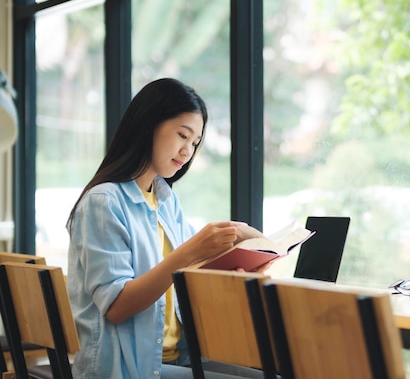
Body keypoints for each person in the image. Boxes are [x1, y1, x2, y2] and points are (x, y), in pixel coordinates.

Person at [66, 78, 268, 379]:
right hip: (125, 370)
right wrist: (189, 253)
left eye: (195, 143)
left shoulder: (165, 200)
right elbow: (117, 306)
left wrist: (240, 260)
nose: (188, 151)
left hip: (178, 358)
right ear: (149, 125)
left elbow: (192, 272)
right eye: (182, 135)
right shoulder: (104, 201)